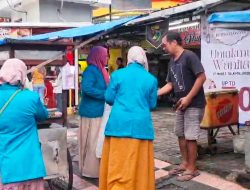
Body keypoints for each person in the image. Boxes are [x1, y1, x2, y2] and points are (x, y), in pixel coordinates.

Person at [99, 46, 158, 190]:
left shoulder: (118, 75)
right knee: (139, 167)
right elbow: (152, 104)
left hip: (118, 126)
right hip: (141, 128)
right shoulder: (151, 79)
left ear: (128, 59)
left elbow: (109, 98)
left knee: (117, 165)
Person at [158, 32, 206, 181]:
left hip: (194, 103)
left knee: (191, 136)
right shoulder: (171, 61)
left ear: (174, 42)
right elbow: (170, 84)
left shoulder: (189, 56)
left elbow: (202, 77)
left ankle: (193, 168)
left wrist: (189, 97)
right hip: (181, 104)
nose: (164, 48)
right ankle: (185, 163)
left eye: (165, 44)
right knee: (180, 133)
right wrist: (156, 93)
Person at [0, 59, 48, 189]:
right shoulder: (31, 97)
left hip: (5, 170)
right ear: (22, 75)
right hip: (30, 167)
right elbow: (44, 115)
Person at [78, 46, 109, 178]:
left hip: (99, 111)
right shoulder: (91, 70)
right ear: (98, 56)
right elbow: (87, 89)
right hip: (90, 113)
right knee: (92, 142)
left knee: (96, 142)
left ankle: (96, 169)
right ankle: (90, 171)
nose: (107, 58)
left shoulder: (101, 70)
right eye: (105, 55)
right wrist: (105, 94)